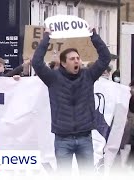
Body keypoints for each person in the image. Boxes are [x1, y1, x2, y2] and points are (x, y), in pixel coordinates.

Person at [31, 28, 111, 174]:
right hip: (63, 139)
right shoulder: (53, 78)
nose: (77, 61)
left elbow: (105, 58)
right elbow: (36, 62)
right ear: (63, 63)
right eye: (72, 59)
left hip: (85, 137)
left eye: (78, 58)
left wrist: (94, 36)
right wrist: (46, 38)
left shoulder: (88, 75)